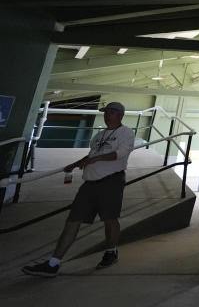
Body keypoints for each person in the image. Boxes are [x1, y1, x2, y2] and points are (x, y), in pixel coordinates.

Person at [22, 102, 135, 277]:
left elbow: (120, 154)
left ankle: (111, 252)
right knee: (73, 220)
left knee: (110, 218)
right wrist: (75, 164)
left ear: (120, 115)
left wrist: (94, 160)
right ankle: (53, 264)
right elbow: (91, 155)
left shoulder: (126, 133)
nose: (107, 115)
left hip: (111, 181)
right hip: (88, 184)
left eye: (111, 112)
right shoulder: (98, 136)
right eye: (106, 112)